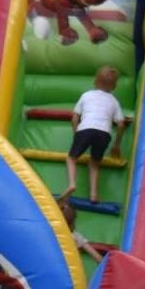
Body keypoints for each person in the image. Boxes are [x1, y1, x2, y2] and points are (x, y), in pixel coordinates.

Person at [60, 65, 126, 203]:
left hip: (85, 129)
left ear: (95, 81)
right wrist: (117, 145)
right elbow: (121, 124)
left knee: (71, 158)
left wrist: (76, 134)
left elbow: (75, 118)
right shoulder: (114, 101)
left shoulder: (86, 95)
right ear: (114, 87)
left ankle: (72, 184)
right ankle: (94, 194)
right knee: (95, 163)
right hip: (104, 134)